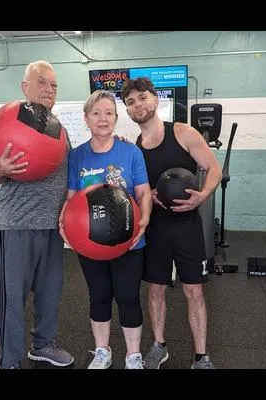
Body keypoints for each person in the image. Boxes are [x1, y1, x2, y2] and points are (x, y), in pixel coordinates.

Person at [121, 77, 223, 369]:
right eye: (130, 102)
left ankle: (201, 357)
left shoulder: (182, 132)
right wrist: (148, 196)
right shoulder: (135, 149)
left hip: (187, 225)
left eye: (142, 98)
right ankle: (158, 346)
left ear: (154, 99)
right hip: (155, 227)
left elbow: (213, 168)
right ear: (127, 110)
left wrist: (202, 195)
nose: (137, 105)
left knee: (194, 291)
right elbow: (138, 191)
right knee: (155, 289)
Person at [0, 60, 74, 369]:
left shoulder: (60, 131)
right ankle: (10, 358)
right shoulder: (9, 123)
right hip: (18, 225)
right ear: (25, 87)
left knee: (50, 293)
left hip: (52, 226)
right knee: (13, 299)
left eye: (54, 85)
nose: (49, 89)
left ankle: (43, 344)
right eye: (42, 82)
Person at [59, 89, 152, 369]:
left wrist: (145, 216)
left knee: (128, 297)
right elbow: (72, 196)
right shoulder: (77, 156)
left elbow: (144, 192)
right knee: (99, 296)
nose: (103, 118)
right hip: (90, 242)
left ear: (115, 117)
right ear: (86, 119)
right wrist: (63, 221)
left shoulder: (131, 151)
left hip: (129, 240)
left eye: (109, 113)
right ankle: (102, 351)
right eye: (96, 113)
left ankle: (133, 355)